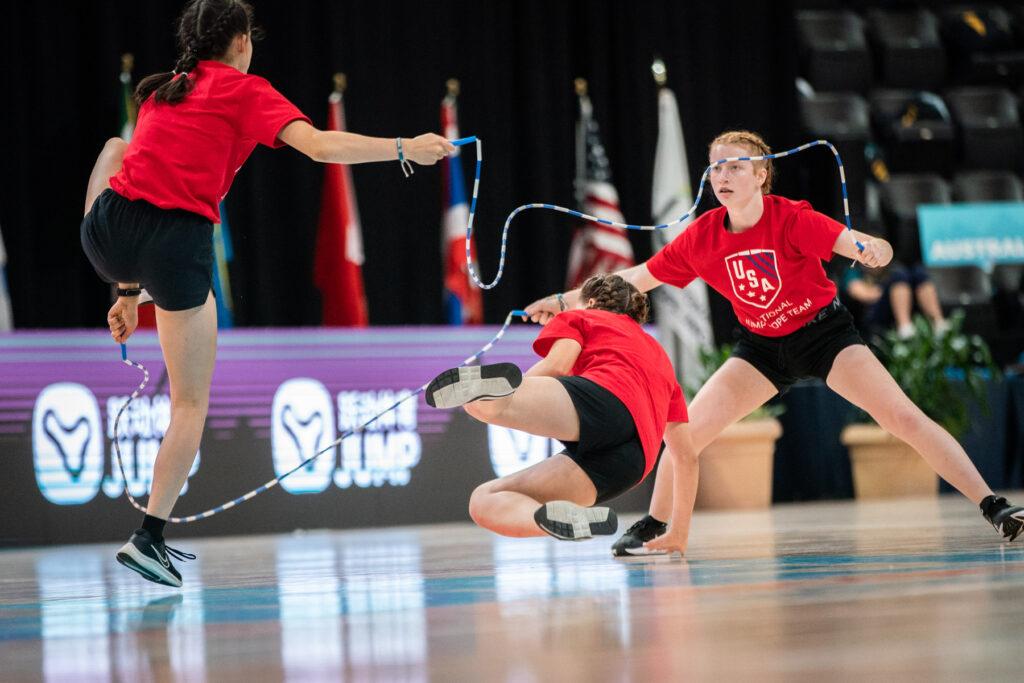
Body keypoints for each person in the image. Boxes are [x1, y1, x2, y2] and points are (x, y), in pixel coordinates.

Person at [81, 0, 454, 587]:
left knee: (113, 149)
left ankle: (127, 291)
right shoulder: (244, 90)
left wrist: (127, 290)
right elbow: (322, 147)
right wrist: (405, 147)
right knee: (188, 404)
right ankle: (148, 536)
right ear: (239, 42)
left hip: (106, 236)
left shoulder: (161, 92)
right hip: (176, 242)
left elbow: (133, 165)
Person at [525, 130, 1024, 556]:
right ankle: (659, 526)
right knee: (683, 436)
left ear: (761, 174)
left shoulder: (791, 218)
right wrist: (564, 300)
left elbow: (860, 244)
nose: (723, 175)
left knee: (902, 417)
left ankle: (995, 507)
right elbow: (634, 277)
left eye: (736, 165)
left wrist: (875, 248)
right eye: (715, 166)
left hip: (825, 337)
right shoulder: (702, 237)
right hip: (761, 350)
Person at [425, 274, 698, 544]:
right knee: (485, 499)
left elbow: (556, 365)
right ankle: (553, 518)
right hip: (634, 463)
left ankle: (496, 396)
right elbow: (685, 457)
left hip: (605, 399)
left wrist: (522, 393)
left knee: (484, 408)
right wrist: (679, 534)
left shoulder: (580, 317)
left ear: (589, 302)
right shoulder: (661, 358)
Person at [841, 263, 948, 339]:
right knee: (899, 277)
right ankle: (905, 326)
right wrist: (887, 287)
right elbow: (865, 295)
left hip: (895, 308)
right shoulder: (853, 270)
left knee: (919, 273)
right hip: (871, 316)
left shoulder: (888, 269)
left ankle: (938, 322)